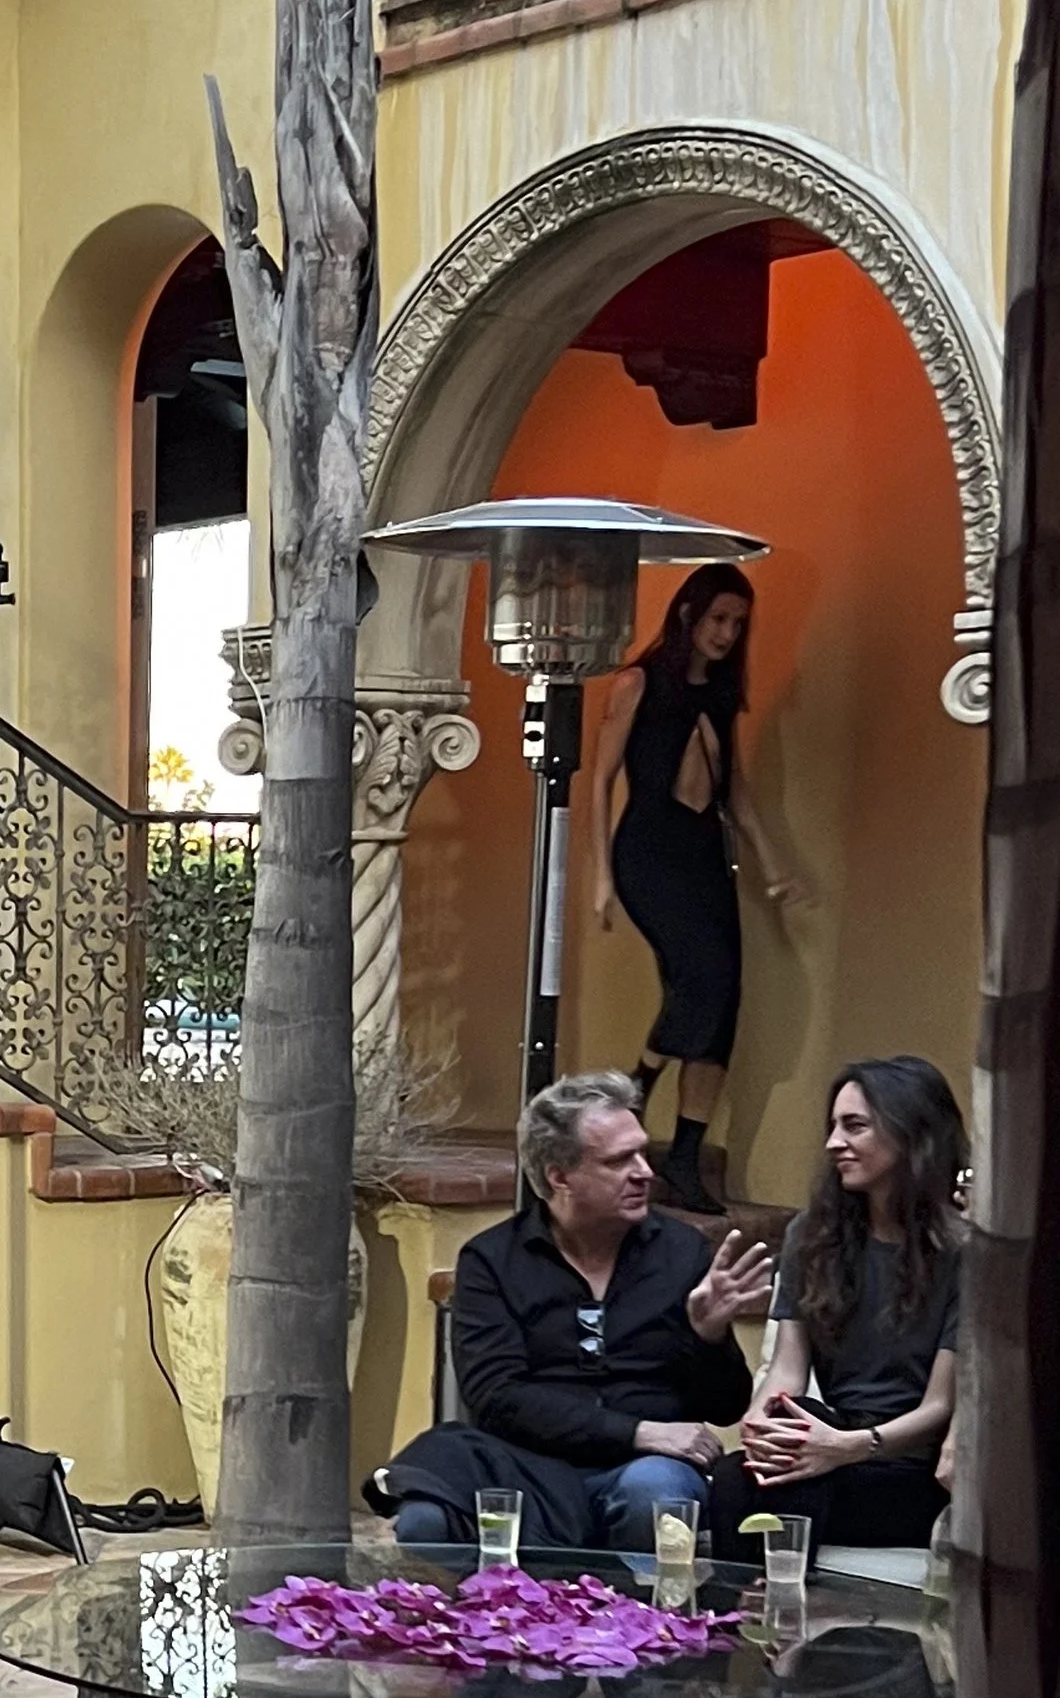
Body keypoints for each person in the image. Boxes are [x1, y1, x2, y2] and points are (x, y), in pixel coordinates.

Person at [375, 1070, 770, 1552]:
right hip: (527, 1467)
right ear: (559, 1176)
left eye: (642, 1153)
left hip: (644, 1473)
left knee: (654, 1493)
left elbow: (725, 1405)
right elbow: (497, 1396)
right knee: (424, 1520)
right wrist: (637, 1432)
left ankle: (635, 1626)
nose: (644, 1172)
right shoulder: (493, 1260)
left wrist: (708, 1335)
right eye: (620, 1160)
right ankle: (486, 1623)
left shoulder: (682, 1253)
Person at [589, 563, 805, 1214]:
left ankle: (683, 1153)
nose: (727, 632)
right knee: (702, 978)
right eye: (718, 618)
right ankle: (639, 1080)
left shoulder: (718, 693)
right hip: (648, 851)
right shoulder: (638, 682)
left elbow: (732, 787)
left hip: (705, 851)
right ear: (688, 614)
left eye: (738, 623)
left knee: (720, 1001)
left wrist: (771, 863)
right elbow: (600, 780)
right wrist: (600, 874)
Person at [709, 1056, 965, 1561]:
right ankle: (741, 1625)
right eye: (832, 1127)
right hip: (830, 1436)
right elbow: (787, 1369)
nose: (833, 1144)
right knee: (734, 1476)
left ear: (912, 1133)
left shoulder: (964, 1252)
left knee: (782, 1486)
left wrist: (847, 1446)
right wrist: (766, 1418)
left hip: (907, 1461)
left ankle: (761, 1625)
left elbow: (939, 1408)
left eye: (854, 1126)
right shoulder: (813, 1234)